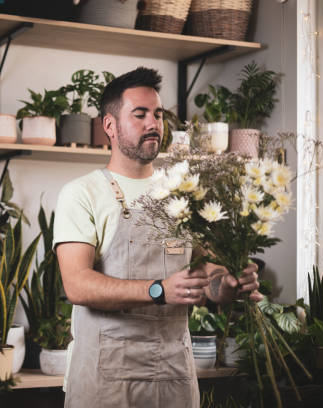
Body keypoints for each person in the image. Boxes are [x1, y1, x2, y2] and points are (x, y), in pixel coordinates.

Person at [53, 67, 262, 408]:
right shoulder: (82, 193)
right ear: (110, 126)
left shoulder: (181, 193)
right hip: (106, 382)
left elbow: (203, 274)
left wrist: (228, 284)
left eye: (158, 114)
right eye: (140, 114)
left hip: (173, 376)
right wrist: (159, 290)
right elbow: (78, 285)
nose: (153, 123)